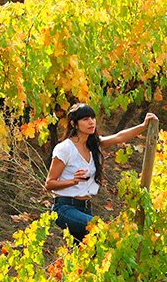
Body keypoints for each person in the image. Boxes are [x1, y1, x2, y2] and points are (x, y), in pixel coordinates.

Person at [45, 103, 157, 240]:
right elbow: (49, 184)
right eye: (85, 119)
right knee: (101, 229)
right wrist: (72, 181)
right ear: (74, 124)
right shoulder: (65, 148)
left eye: (93, 118)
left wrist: (143, 126)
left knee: (86, 253)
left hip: (85, 208)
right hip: (64, 209)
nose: (91, 122)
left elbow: (119, 137)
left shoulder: (93, 144)